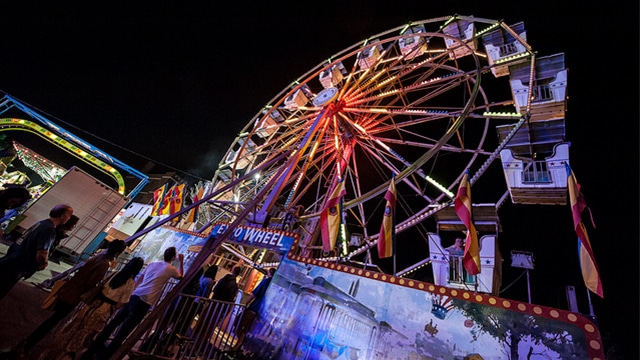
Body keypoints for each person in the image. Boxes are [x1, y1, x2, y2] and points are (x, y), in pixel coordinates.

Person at [15, 239, 127, 356]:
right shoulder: (104, 264)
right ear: (118, 252)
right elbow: (90, 283)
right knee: (53, 321)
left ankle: (28, 342)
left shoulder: (99, 256)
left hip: (69, 290)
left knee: (53, 319)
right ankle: (28, 343)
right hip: (74, 295)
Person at [81, 246, 184, 360]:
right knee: (123, 332)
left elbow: (140, 279)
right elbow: (181, 277)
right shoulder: (171, 269)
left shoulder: (152, 264)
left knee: (114, 323)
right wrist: (181, 262)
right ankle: (107, 356)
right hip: (145, 302)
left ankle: (91, 350)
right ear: (173, 257)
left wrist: (132, 291)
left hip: (135, 295)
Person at [39, 257, 145, 360]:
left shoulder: (114, 273)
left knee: (76, 326)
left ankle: (56, 350)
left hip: (93, 304)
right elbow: (122, 302)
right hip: (104, 309)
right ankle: (68, 354)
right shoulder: (130, 283)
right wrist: (112, 309)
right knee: (85, 334)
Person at [0, 203, 73, 300]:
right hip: (19, 264)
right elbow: (42, 252)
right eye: (69, 215)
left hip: (12, 258)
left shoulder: (41, 223)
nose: (69, 218)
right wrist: (42, 264)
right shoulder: (49, 229)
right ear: (62, 216)